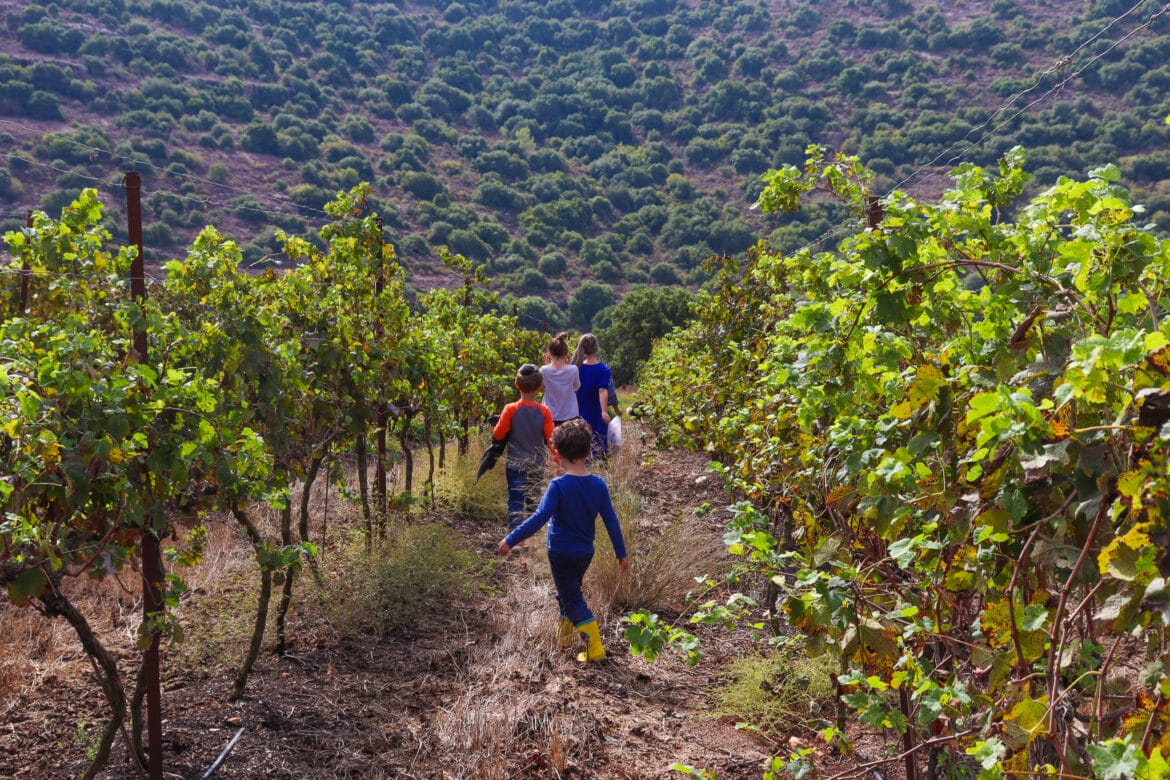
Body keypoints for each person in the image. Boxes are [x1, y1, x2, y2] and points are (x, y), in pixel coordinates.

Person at [498, 418, 630, 662]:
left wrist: (512, 537)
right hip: (584, 553)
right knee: (568, 594)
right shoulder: (598, 485)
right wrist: (621, 553)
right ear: (588, 450)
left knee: (572, 598)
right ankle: (564, 641)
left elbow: (540, 517)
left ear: (556, 453)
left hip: (560, 552)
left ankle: (595, 649)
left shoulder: (558, 485)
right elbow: (611, 521)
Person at [491, 364, 558, 533]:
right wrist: (560, 461)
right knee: (533, 500)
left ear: (517, 385)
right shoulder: (545, 412)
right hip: (537, 464)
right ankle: (531, 534)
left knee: (515, 501)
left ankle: (516, 539)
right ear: (539, 388)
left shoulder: (510, 409)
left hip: (515, 464)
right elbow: (552, 441)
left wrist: (499, 423)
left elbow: (498, 435)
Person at [571, 333, 612, 458]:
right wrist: (604, 412)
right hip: (596, 411)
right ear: (596, 349)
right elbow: (602, 391)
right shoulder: (603, 369)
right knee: (598, 446)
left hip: (578, 410)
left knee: (581, 444)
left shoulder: (575, 368)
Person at [539, 331, 580, 426]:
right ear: (566, 353)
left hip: (549, 414)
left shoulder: (544, 370)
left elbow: (541, 387)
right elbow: (576, 387)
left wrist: (547, 366)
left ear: (549, 353)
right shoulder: (573, 369)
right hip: (570, 414)